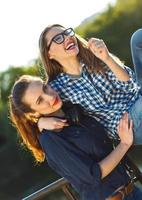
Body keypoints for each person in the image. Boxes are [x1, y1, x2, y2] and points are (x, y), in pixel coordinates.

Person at [9, 75, 142, 200]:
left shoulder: (75, 110)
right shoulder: (50, 140)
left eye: (45, 87)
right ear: (32, 113)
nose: (49, 97)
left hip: (132, 190)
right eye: (40, 100)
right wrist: (124, 145)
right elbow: (93, 175)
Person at [38, 24, 142, 144]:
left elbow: (130, 84)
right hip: (129, 125)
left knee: (138, 38)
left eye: (67, 33)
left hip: (137, 96)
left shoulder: (93, 55)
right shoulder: (56, 88)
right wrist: (40, 122)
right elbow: (32, 108)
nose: (67, 38)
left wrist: (107, 58)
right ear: (49, 54)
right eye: (58, 38)